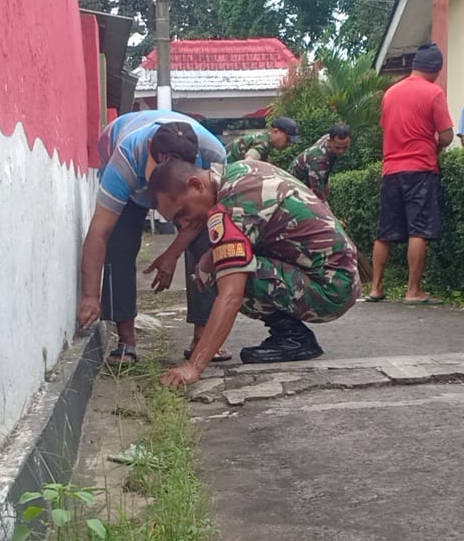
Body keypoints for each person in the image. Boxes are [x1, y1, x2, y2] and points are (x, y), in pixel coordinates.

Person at [148, 158, 361, 389]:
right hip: (337, 276)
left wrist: (193, 367)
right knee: (213, 260)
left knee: (213, 270)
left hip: (330, 291)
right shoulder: (237, 173)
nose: (185, 222)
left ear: (197, 185)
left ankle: (293, 338)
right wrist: (175, 254)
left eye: (183, 213)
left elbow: (230, 295)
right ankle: (290, 334)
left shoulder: (233, 206)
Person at [76, 111, 228, 364]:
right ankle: (126, 340)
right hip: (129, 178)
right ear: (148, 149)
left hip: (184, 191)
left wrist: (172, 253)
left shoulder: (213, 155)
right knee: (119, 243)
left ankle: (202, 337)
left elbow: (202, 218)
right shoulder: (125, 158)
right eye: (159, 170)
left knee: (206, 239)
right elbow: (98, 233)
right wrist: (90, 296)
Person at [367, 42, 454, 305]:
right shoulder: (434, 93)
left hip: (390, 170)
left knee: (385, 232)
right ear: (437, 69)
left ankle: (375, 287)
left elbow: (388, 127)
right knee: (419, 229)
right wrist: (435, 143)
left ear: (415, 66)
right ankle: (413, 290)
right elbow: (448, 135)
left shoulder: (390, 93)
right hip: (420, 169)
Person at [288, 124, 352, 201]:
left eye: (345, 147)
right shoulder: (319, 159)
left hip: (309, 177)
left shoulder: (331, 139)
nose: (341, 151)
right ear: (329, 141)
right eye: (337, 147)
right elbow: (318, 194)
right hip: (293, 186)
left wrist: (325, 184)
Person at [226, 116, 301, 162]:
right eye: (288, 139)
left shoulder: (264, 139)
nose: (289, 144)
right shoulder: (263, 142)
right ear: (275, 131)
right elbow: (249, 161)